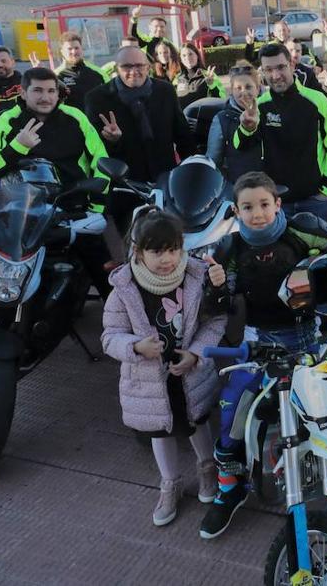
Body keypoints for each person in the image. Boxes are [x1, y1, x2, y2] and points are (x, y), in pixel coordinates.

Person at [199, 171, 327, 540]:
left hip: (309, 338)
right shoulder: (228, 249)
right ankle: (230, 489)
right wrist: (215, 286)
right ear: (237, 210)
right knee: (232, 409)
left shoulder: (303, 227)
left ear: (277, 203)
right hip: (259, 340)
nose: (258, 213)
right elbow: (221, 304)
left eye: (264, 204)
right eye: (248, 207)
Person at [100, 208, 228, 527]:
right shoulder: (124, 289)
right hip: (148, 380)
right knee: (161, 430)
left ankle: (208, 468)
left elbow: (215, 322)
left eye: (173, 249)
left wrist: (196, 354)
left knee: (197, 420)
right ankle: (170, 483)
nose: (167, 258)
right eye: (156, 251)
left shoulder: (196, 277)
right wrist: (134, 347)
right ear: (138, 251)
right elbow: (109, 336)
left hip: (189, 373)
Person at [0, 66, 114, 297]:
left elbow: (101, 160)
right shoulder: (8, 120)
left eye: (51, 91)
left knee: (103, 269)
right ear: (23, 93)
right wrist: (18, 146)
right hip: (26, 211)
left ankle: (119, 317)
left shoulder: (75, 117)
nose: (46, 97)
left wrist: (96, 206)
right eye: (38, 90)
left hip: (73, 207)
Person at [85, 46, 198, 234]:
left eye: (139, 66)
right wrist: (113, 140)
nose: (133, 71)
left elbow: (182, 134)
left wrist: (194, 169)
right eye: (126, 66)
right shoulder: (97, 98)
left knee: (169, 239)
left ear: (148, 67)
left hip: (165, 180)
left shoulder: (165, 90)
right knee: (133, 244)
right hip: (126, 186)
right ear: (116, 69)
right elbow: (96, 153)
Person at [234, 42, 327, 219]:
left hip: (314, 200)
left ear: (292, 65)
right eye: (268, 70)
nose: (276, 75)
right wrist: (247, 127)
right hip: (276, 203)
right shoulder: (260, 106)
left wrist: (326, 190)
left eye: (281, 67)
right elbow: (240, 146)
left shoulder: (317, 101)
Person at [206, 68, 264, 182]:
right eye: (238, 88)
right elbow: (213, 161)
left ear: (257, 89)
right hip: (237, 187)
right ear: (231, 91)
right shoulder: (222, 119)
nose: (243, 92)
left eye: (248, 87)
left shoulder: (269, 113)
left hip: (269, 186)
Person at [55, 31, 109, 109]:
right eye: (69, 49)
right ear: (62, 52)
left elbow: (110, 96)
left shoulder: (99, 73)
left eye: (76, 48)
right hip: (72, 120)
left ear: (81, 49)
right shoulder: (56, 76)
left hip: (96, 120)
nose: (74, 52)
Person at [130, 4, 197, 60]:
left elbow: (177, 59)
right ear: (150, 27)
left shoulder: (168, 44)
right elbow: (133, 35)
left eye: (162, 26)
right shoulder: (145, 41)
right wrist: (135, 18)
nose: (159, 29)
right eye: (156, 26)